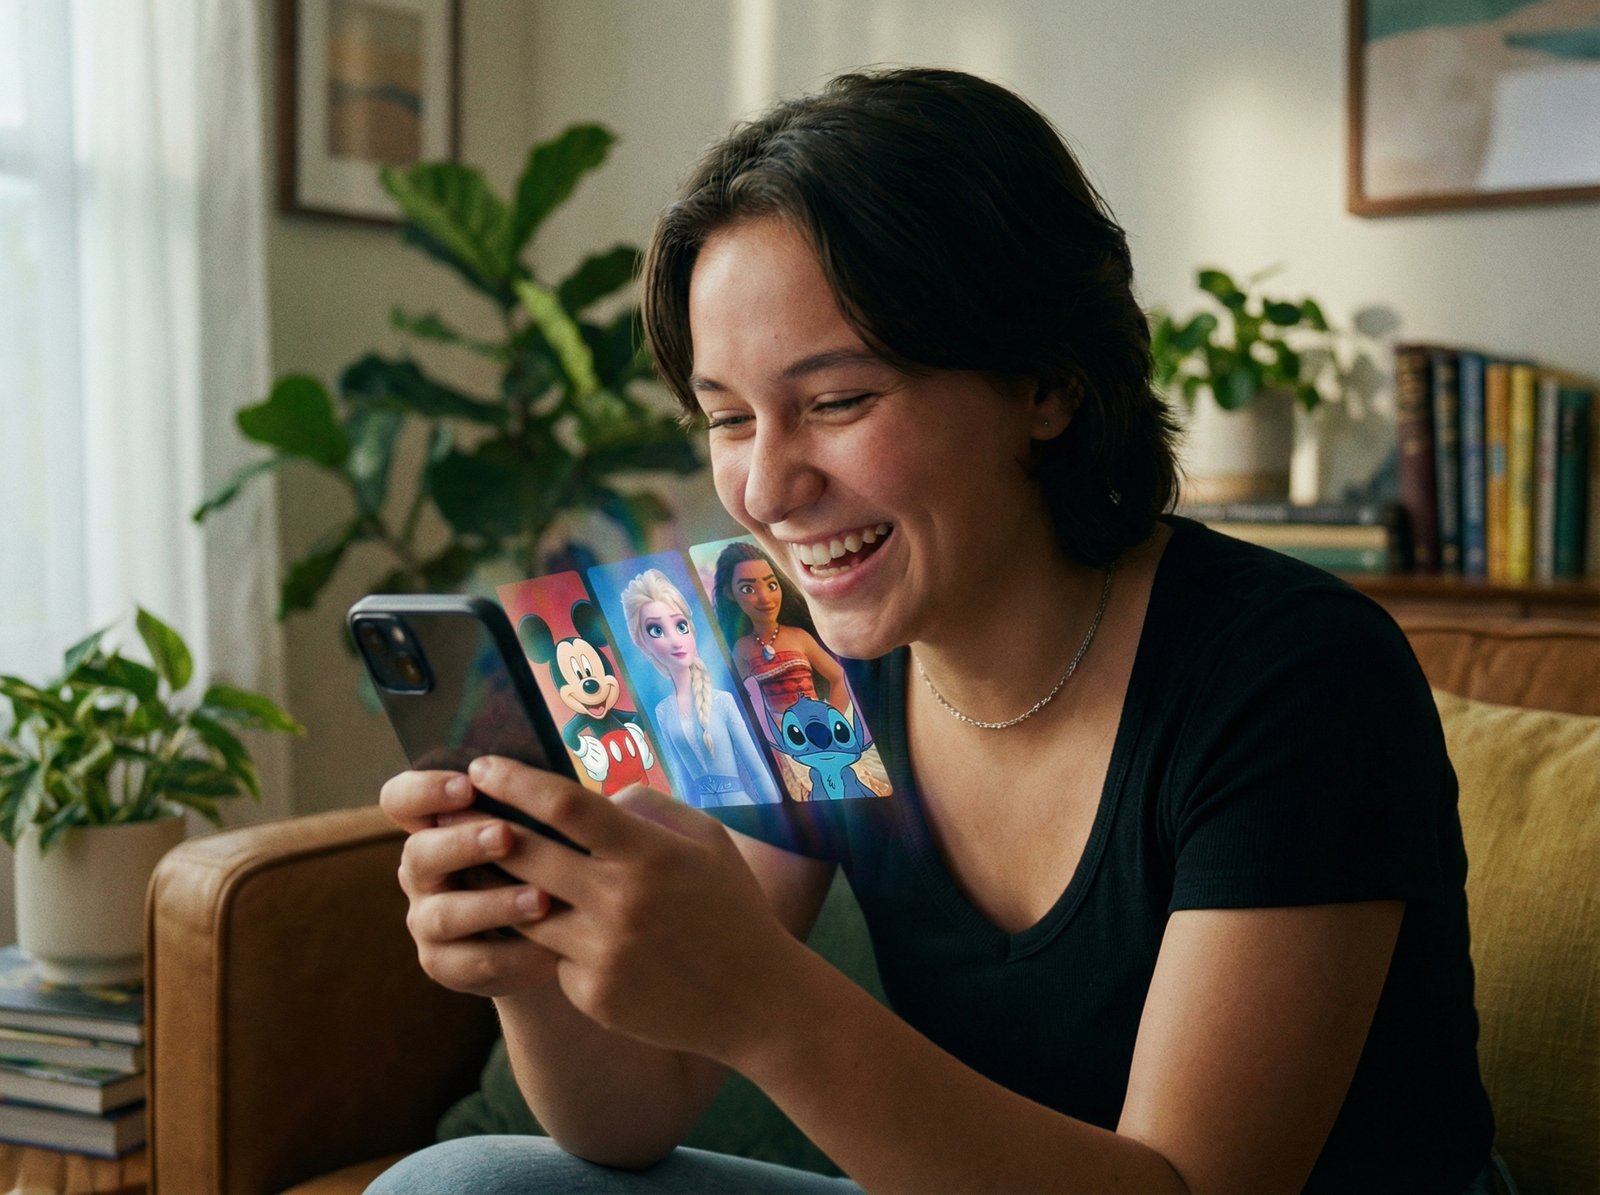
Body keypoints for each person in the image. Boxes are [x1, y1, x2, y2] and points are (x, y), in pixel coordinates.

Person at [372, 67, 1505, 1195]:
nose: (764, 488)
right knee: (466, 1183)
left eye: (836, 401)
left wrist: (768, 999)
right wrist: (526, 941)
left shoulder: (1293, 673)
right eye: (726, 417)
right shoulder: (803, 662)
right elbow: (630, 1116)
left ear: (1045, 384)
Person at [620, 567, 781, 809]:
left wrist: (777, 820)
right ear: (643, 644)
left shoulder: (722, 701)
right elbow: (683, 783)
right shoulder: (663, 711)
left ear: (691, 630)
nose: (675, 641)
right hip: (706, 817)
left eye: (681, 626)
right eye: (656, 630)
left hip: (748, 811)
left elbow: (758, 773)